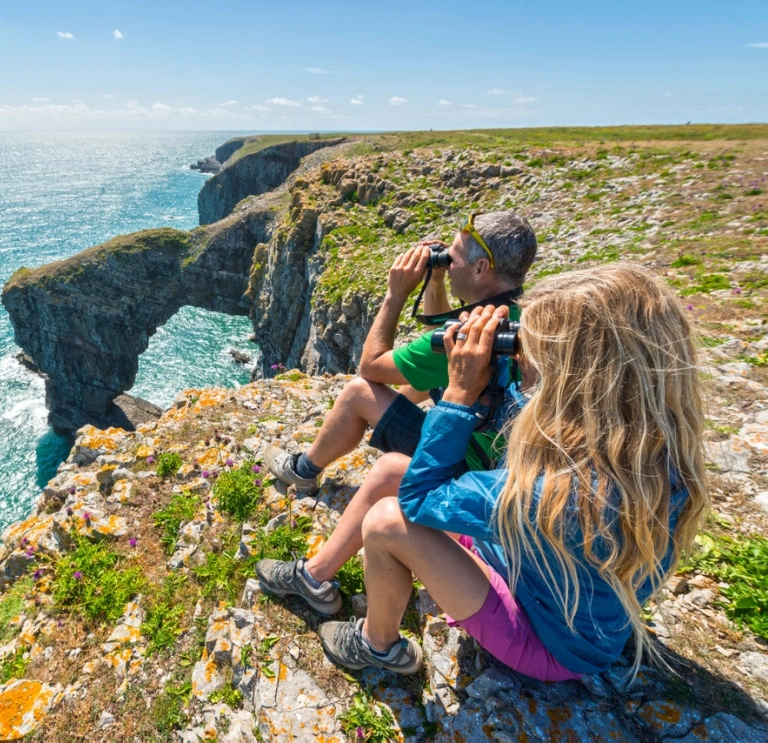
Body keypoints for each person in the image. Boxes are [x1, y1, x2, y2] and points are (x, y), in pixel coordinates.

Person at [303, 263, 709, 679]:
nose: (520, 360)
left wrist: (460, 392)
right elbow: (514, 424)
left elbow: (421, 499)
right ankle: (315, 577)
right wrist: (489, 370)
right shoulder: (637, 442)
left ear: (569, 377)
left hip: (549, 641)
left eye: (530, 354)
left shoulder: (565, 491)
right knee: (393, 468)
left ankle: (378, 644)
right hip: (533, 570)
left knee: (389, 522)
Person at [263, 211, 538, 496]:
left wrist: (395, 295)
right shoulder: (520, 318)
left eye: (451, 258)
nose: (446, 263)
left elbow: (370, 367)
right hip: (503, 467)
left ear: (480, 268)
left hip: (465, 471)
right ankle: (364, 427)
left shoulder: (473, 335)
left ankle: (302, 471)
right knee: (417, 383)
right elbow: (439, 354)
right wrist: (436, 281)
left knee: (359, 393)